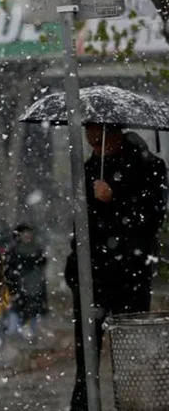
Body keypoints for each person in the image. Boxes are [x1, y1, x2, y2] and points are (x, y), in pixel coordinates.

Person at [66, 124, 168, 411]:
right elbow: (81, 223)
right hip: (91, 273)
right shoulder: (88, 170)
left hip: (129, 271)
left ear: (116, 135)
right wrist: (74, 265)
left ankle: (134, 403)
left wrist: (115, 199)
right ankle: (84, 404)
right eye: (90, 142)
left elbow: (151, 217)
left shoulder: (149, 167)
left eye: (99, 142)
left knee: (131, 350)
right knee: (86, 352)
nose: (94, 148)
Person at [4, 223, 48, 339]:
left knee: (32, 321)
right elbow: (9, 272)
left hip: (34, 289)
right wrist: (12, 290)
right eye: (24, 233)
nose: (27, 236)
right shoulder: (14, 251)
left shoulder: (36, 250)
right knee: (15, 321)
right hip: (20, 290)